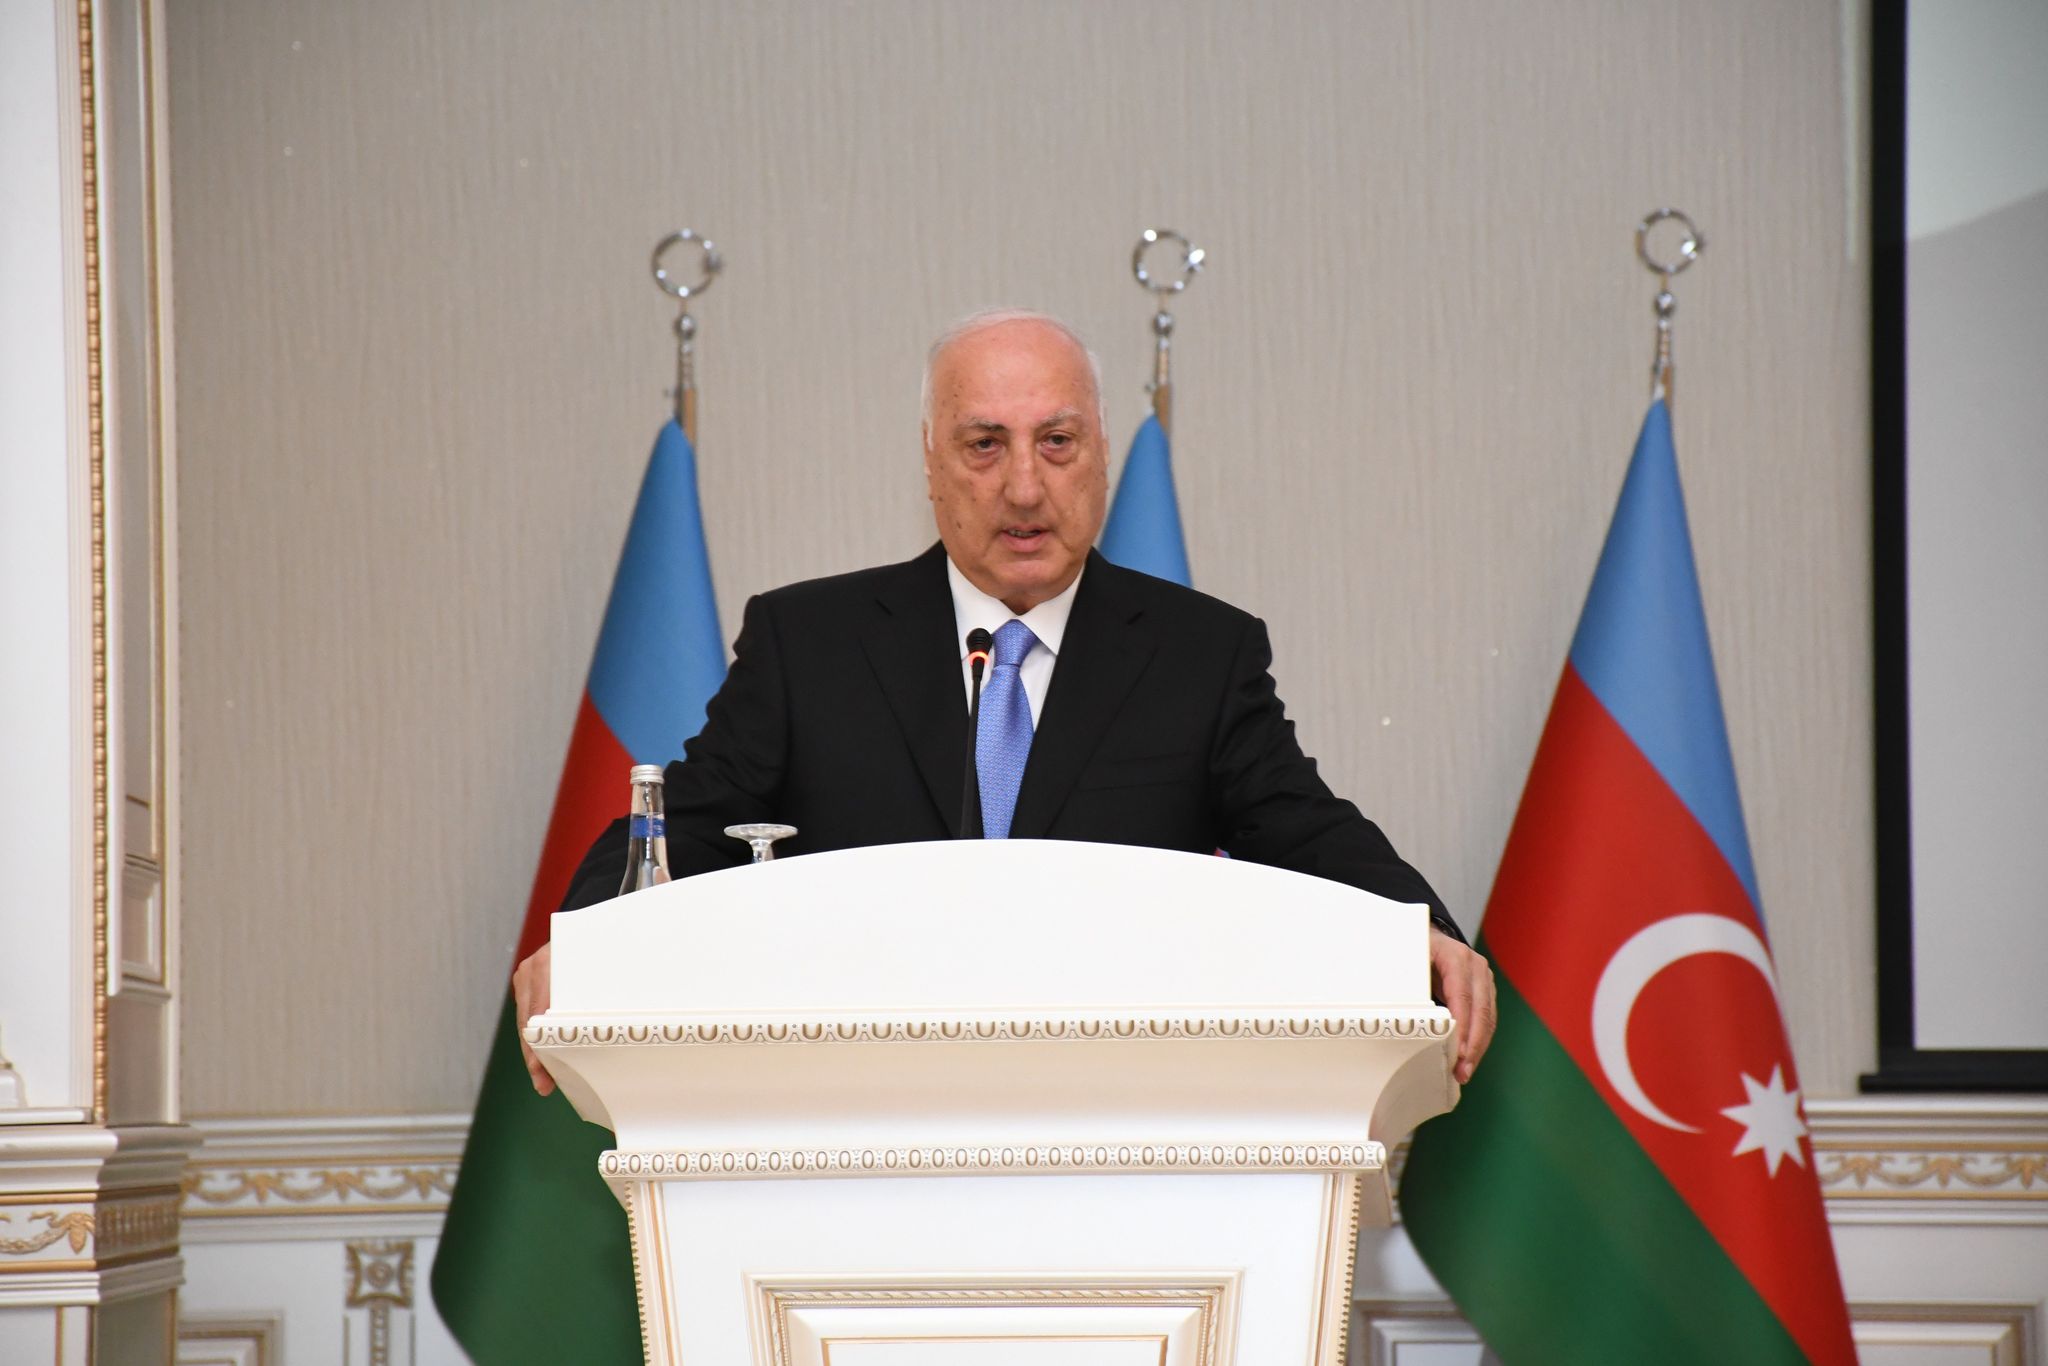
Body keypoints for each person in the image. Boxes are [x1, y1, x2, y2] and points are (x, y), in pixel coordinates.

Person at [516, 309, 1497, 1091]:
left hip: (1118, 1123)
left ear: (1100, 453)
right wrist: (585, 937)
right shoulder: (810, 644)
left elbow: (1302, 826)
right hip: (859, 1120)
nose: (1025, 487)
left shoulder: (1198, 655)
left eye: (1056, 442)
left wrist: (1415, 930)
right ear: (929, 461)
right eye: (984, 444)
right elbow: (683, 820)